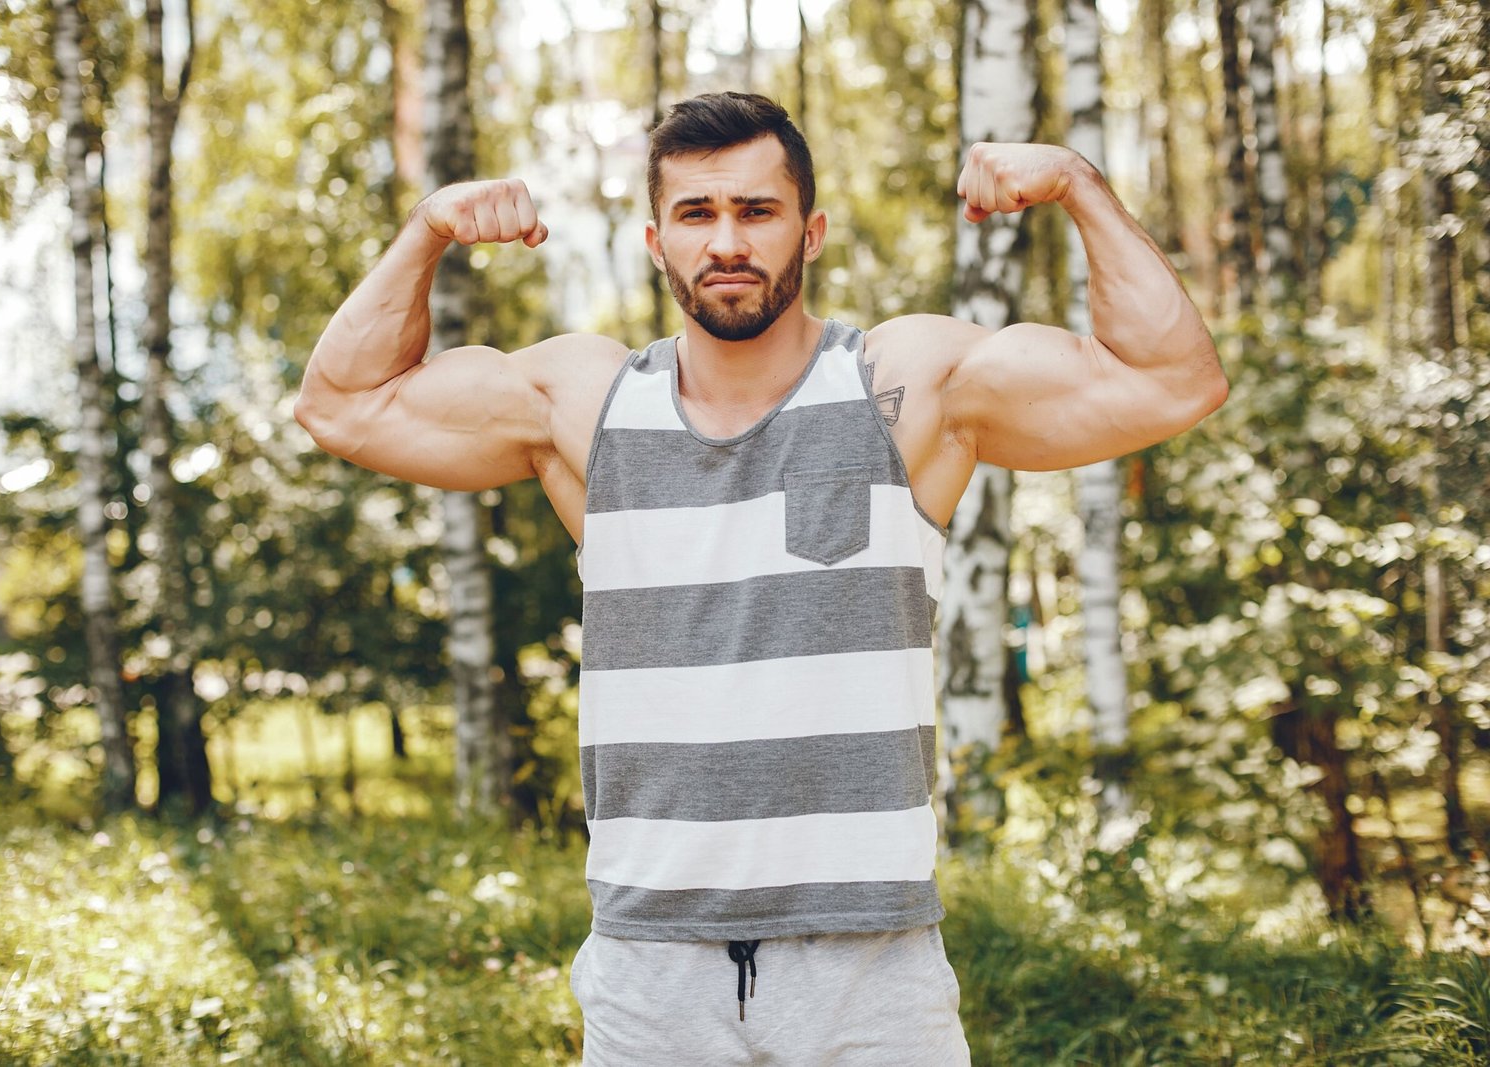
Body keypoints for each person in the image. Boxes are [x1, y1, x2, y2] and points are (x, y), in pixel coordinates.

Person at [295, 91, 1226, 1066]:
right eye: (697, 214)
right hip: (651, 974)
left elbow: (1172, 380)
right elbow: (343, 405)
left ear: (810, 231)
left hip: (870, 969)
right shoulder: (586, 406)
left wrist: (1079, 186)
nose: (727, 241)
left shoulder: (898, 387)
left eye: (757, 210)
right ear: (656, 243)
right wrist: (429, 230)